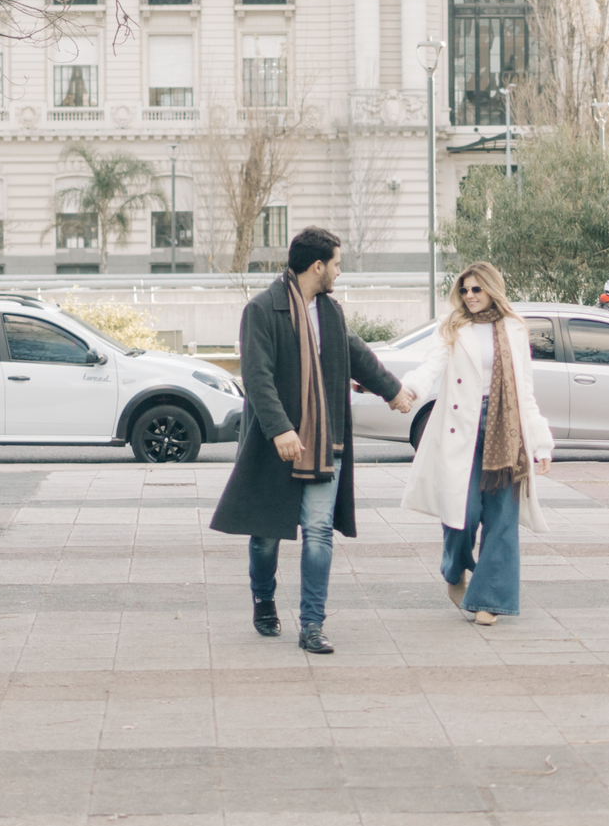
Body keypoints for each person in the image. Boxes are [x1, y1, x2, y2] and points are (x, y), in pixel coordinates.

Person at [210, 225, 414, 653]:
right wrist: (281, 428)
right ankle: (263, 598)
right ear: (317, 266)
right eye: (336, 264)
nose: (339, 272)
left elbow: (358, 355)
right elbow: (258, 378)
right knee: (266, 535)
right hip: (276, 446)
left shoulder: (331, 312)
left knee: (318, 531)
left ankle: (312, 624)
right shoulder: (263, 310)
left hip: (326, 443)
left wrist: (393, 390)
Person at [398, 262, 552, 626]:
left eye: (476, 290)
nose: (469, 296)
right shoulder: (453, 326)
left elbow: (524, 391)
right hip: (461, 427)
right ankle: (455, 569)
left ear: (492, 290)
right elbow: (430, 368)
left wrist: (541, 443)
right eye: (465, 290)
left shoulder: (514, 329)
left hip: (506, 428)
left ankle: (490, 599)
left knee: (502, 519)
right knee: (462, 514)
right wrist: (409, 390)